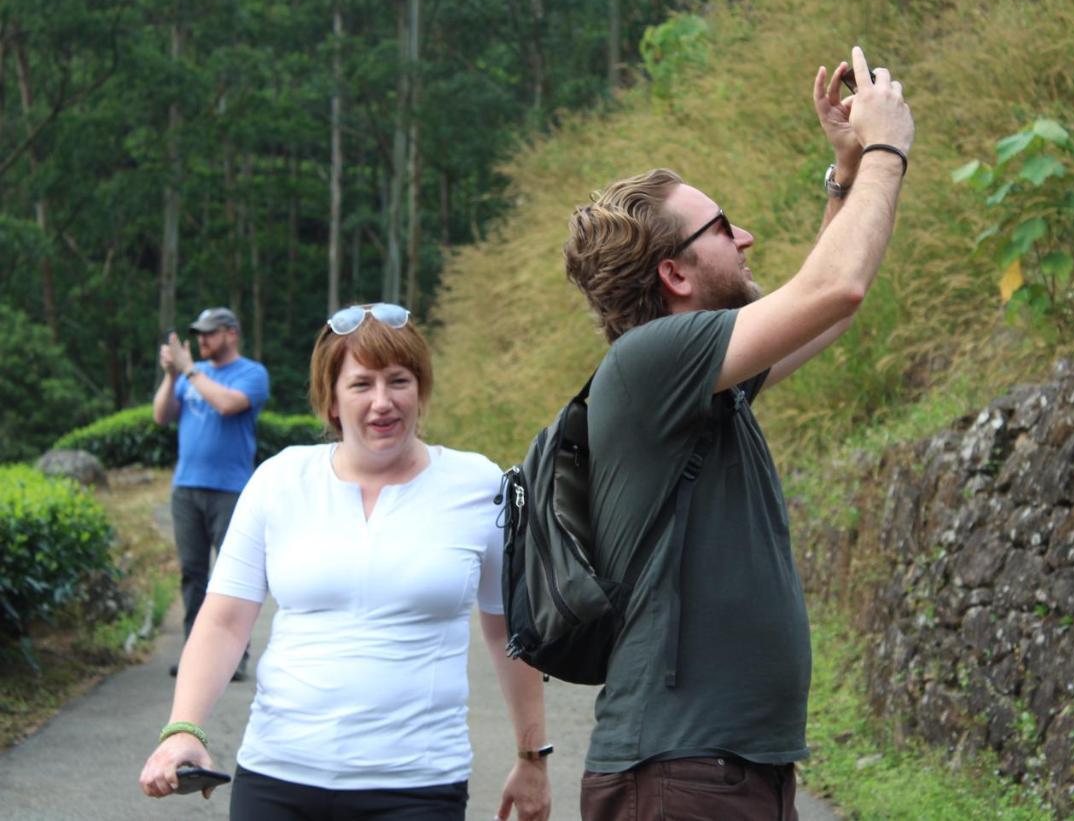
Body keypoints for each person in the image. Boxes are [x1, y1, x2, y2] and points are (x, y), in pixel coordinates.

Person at [560, 46, 913, 819]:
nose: (747, 235)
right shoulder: (651, 363)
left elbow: (817, 311)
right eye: (722, 228)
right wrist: (888, 146)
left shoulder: (693, 385)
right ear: (675, 275)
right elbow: (836, 286)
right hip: (682, 774)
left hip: (718, 770)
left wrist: (848, 171)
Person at [139, 303, 552, 820]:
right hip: (277, 778)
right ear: (331, 399)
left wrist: (532, 756)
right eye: (361, 385)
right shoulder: (280, 480)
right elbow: (223, 621)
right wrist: (184, 728)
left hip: (417, 786)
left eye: (398, 381)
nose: (383, 402)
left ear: (420, 389)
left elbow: (509, 631)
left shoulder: (478, 486)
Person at [153, 306, 269, 680]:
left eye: (209, 333)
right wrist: (172, 376)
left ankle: (234, 659)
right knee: (193, 574)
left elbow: (227, 403)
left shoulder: (252, 374)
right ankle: (195, 656)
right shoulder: (189, 376)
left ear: (231, 333)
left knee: (234, 576)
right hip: (186, 488)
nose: (202, 340)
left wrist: (188, 369)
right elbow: (161, 416)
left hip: (231, 491)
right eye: (198, 334)